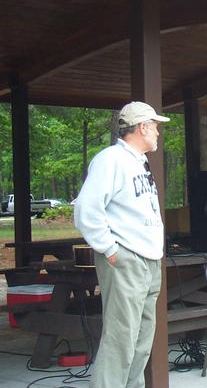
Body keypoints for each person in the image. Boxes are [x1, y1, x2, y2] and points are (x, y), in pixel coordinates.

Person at [74, 101, 170, 388]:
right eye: (155, 126)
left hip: (149, 260)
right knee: (121, 338)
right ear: (142, 127)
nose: (158, 132)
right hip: (127, 258)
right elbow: (86, 210)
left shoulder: (138, 161)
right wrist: (110, 249)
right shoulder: (111, 160)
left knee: (141, 338)